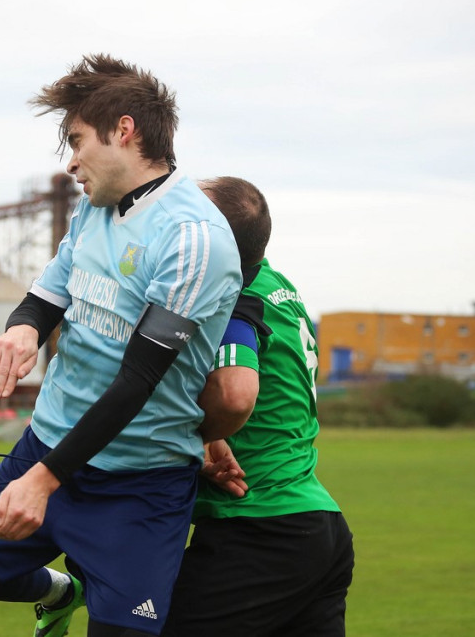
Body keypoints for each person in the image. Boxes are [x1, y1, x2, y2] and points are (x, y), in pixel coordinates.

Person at [0, 54, 242, 637]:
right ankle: (63, 589)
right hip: (46, 445)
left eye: (76, 140)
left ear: (124, 130)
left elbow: (139, 380)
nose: (71, 162)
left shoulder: (193, 238)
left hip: (139, 485)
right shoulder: (92, 207)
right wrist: (24, 327)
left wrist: (44, 480)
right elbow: (49, 293)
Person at [162, 176, 355, 637]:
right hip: (317, 523)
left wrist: (192, 435)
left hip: (259, 524)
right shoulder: (278, 284)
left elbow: (234, 394)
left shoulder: (232, 296)